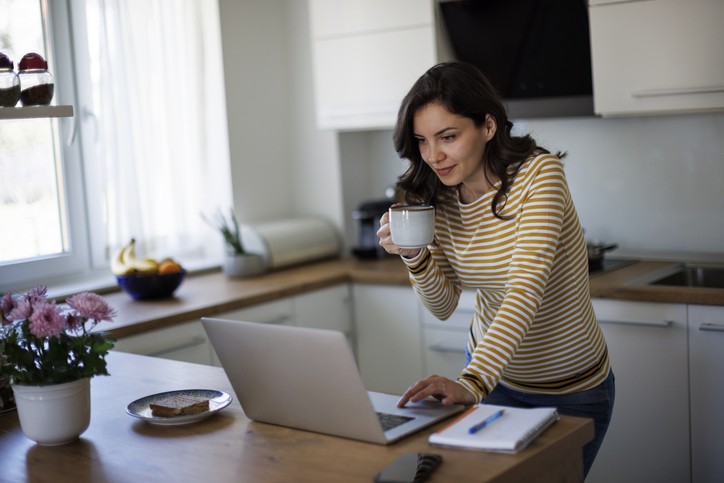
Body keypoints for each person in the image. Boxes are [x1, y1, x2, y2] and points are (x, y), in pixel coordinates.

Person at [377, 61, 614, 478]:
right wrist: (414, 255)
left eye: (448, 137)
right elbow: (443, 304)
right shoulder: (439, 196)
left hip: (571, 389)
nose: (433, 156)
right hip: (497, 384)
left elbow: (525, 287)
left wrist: (471, 382)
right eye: (422, 141)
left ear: (488, 126)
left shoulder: (540, 176)